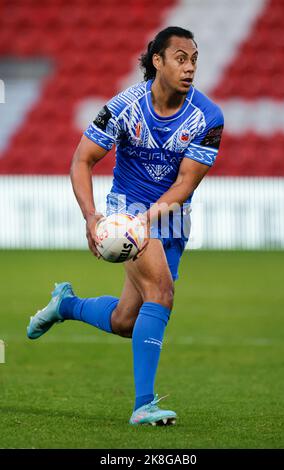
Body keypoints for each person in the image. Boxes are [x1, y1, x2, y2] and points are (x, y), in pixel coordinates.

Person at [27, 26, 224, 426]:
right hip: (125, 211)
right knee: (161, 292)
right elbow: (81, 161)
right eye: (180, 58)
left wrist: (148, 219)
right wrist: (91, 216)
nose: (190, 68)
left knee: (125, 321)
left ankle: (65, 304)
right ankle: (144, 405)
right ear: (158, 62)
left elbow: (185, 183)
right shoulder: (123, 107)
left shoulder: (208, 117)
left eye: (194, 60)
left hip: (169, 216)